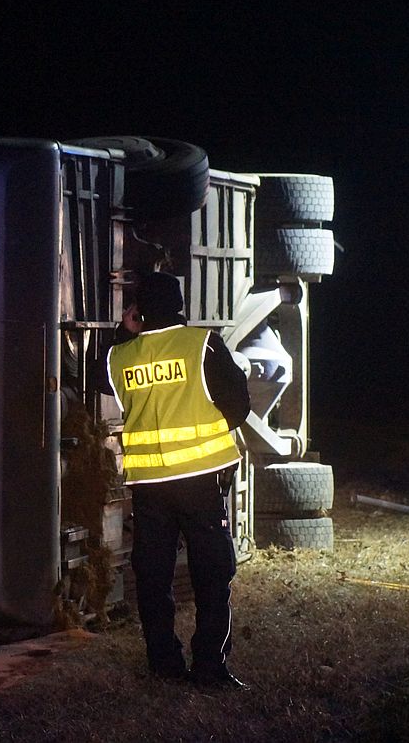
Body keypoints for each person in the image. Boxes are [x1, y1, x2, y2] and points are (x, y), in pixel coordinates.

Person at [104, 271, 251, 690]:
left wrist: (122, 332)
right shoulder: (200, 344)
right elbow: (238, 405)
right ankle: (209, 666)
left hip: (148, 488)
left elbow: (105, 384)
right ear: (180, 304)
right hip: (200, 482)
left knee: (152, 576)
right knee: (213, 572)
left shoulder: (121, 357)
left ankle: (164, 663)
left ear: (138, 311)